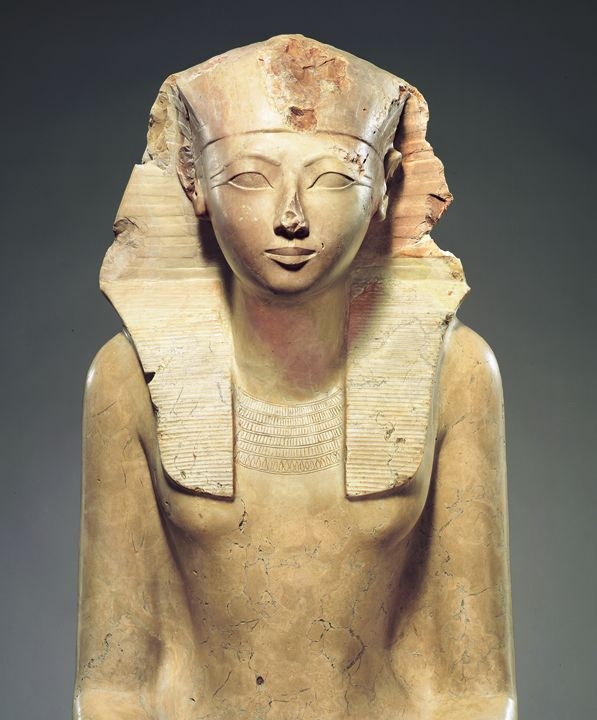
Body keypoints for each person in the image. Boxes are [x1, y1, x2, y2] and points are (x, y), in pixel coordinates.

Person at [74, 36, 516, 719]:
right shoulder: (126, 377)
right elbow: (113, 684)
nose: (290, 218)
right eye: (248, 178)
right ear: (194, 183)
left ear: (385, 185)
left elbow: (475, 687)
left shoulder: (456, 372)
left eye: (331, 179)